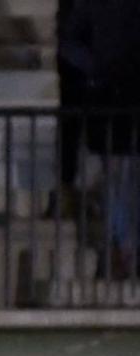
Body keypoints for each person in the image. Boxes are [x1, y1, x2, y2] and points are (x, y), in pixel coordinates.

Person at [59, 0, 140, 281]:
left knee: (122, 182)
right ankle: (123, 248)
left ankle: (123, 248)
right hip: (110, 106)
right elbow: (71, 46)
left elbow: (70, 46)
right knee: (119, 182)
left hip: (115, 103)